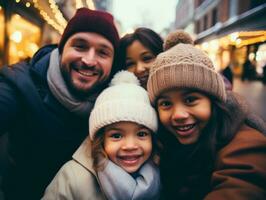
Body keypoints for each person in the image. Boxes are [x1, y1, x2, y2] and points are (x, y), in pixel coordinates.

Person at [0, 8, 120, 200]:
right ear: (62, 47)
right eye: (80, 46)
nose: (89, 60)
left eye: (102, 52)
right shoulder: (20, 85)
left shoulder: (117, 106)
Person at [147, 30, 266, 200]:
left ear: (213, 100)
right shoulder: (162, 142)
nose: (178, 115)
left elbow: (242, 185)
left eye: (190, 99)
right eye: (166, 104)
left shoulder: (245, 144)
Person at [42, 71, 161, 200]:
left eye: (141, 134)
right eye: (116, 136)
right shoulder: (73, 177)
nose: (130, 146)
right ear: (101, 140)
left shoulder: (163, 172)